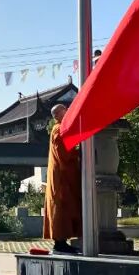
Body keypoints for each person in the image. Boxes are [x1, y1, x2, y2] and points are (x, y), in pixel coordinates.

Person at [43, 104, 81, 254]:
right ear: (58, 115)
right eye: (65, 110)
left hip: (62, 174)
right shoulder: (58, 129)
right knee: (61, 207)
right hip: (61, 176)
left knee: (65, 207)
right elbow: (63, 153)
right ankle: (59, 243)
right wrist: (78, 153)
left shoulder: (60, 128)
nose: (68, 112)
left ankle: (62, 242)